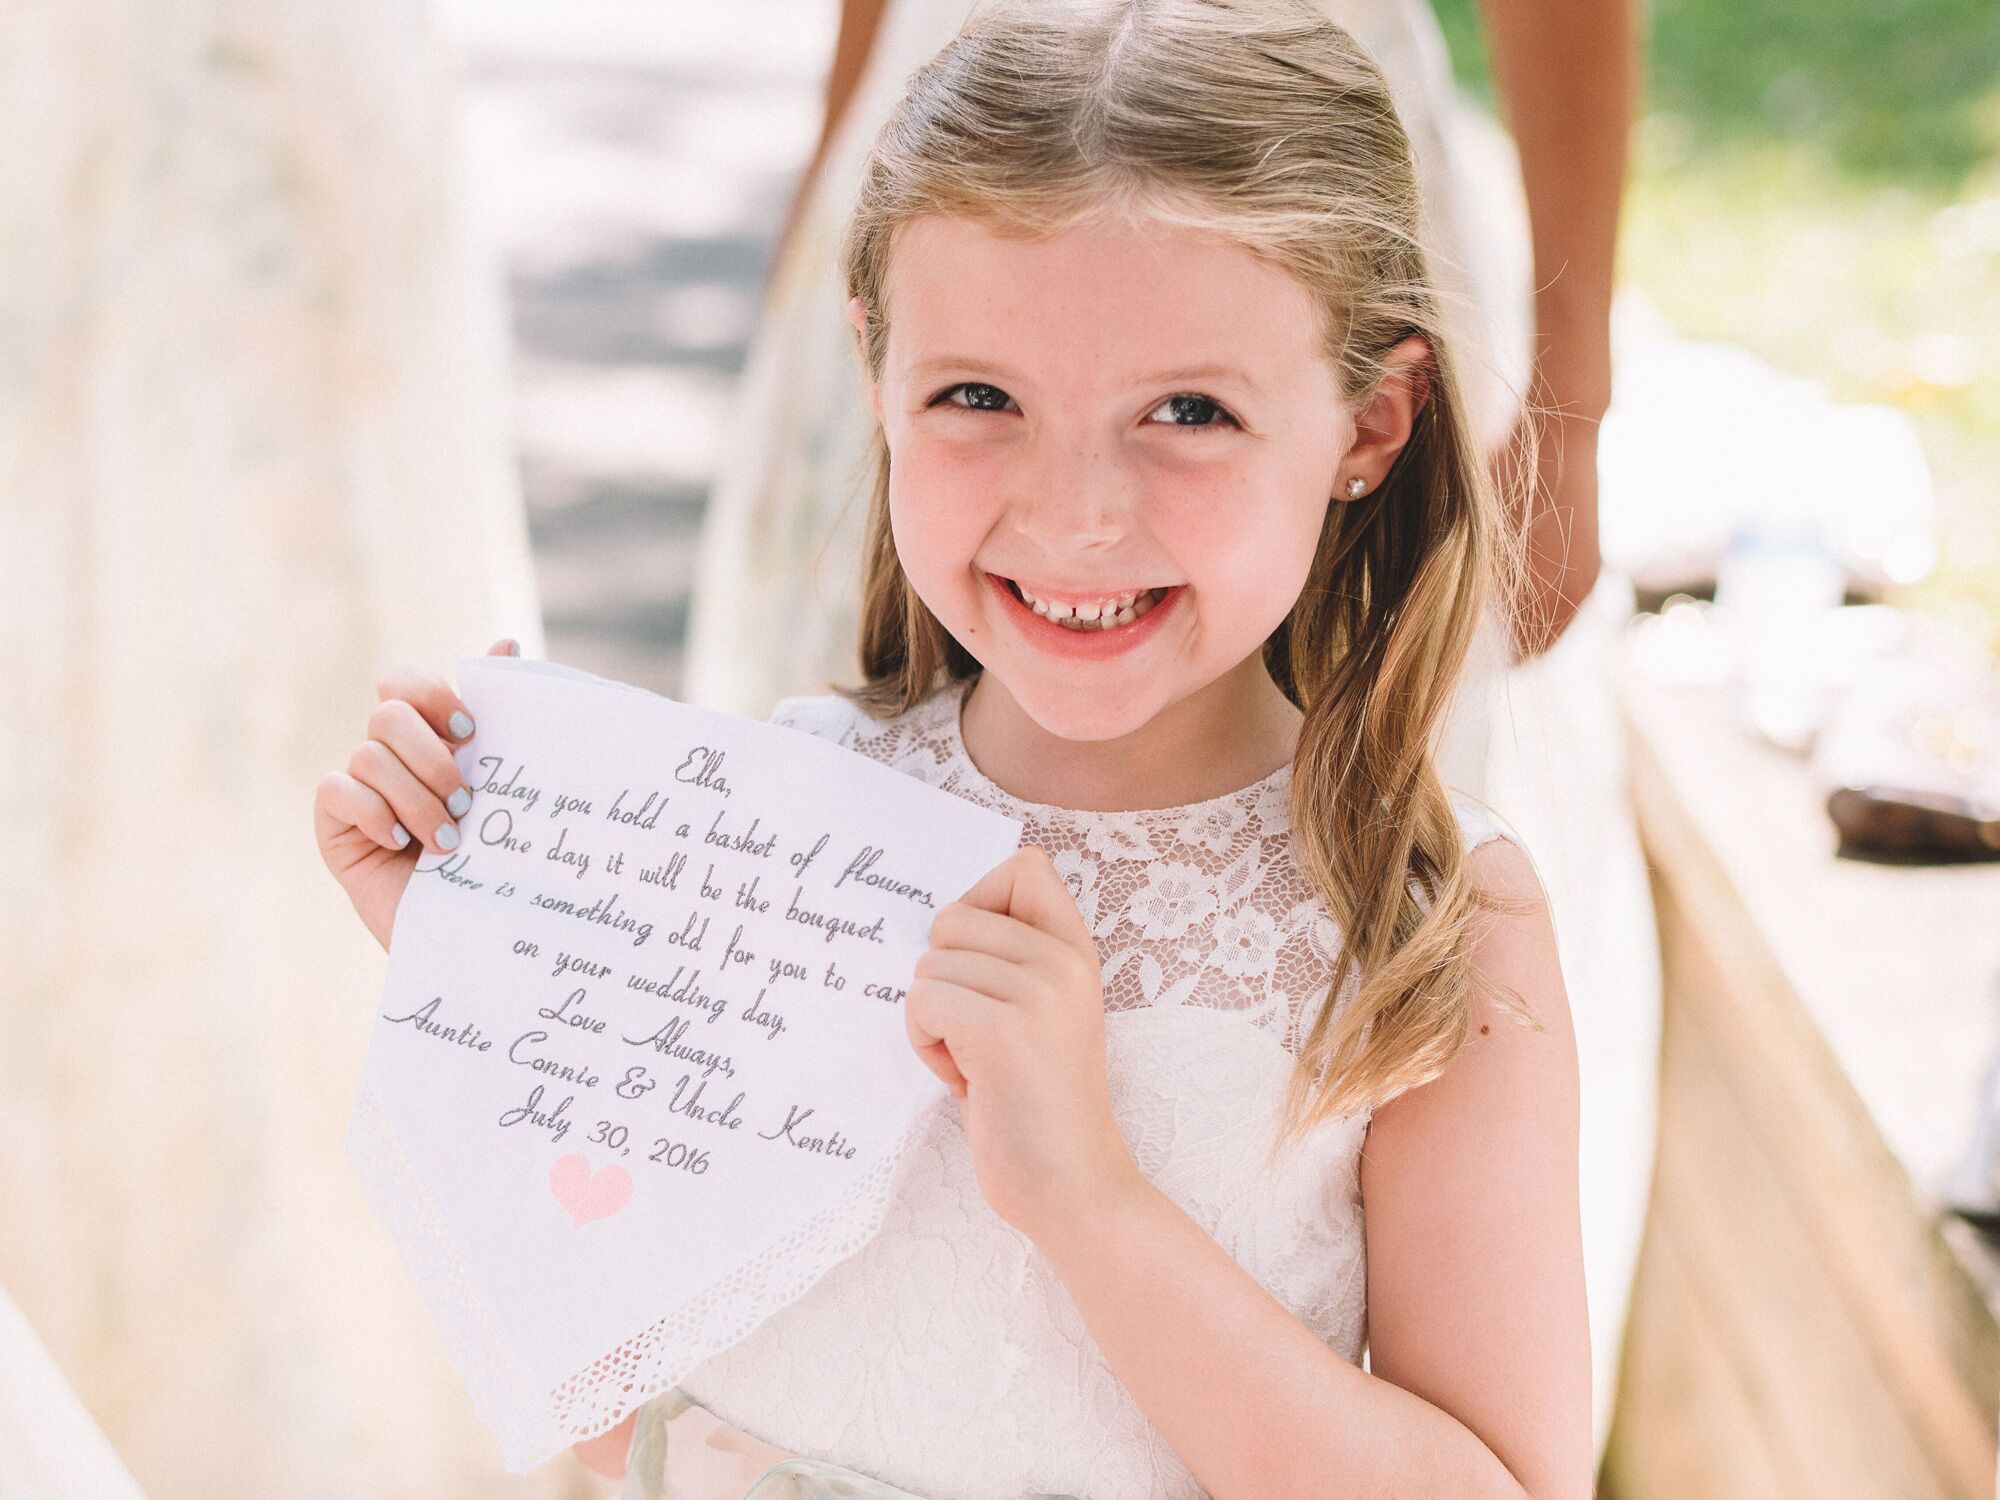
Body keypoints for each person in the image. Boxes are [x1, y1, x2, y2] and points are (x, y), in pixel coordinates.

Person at [316, 2, 1592, 1494]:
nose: (1074, 513)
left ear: (1372, 422)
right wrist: (507, 990)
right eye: (978, 397)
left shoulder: (1427, 926)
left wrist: (1086, 1198)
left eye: (1190, 411)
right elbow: (607, 1414)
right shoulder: (769, 826)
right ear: (876, 376)